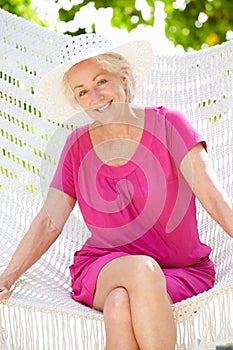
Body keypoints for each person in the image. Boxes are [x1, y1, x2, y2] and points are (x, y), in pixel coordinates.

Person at [0, 33, 232, 350]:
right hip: (104, 267)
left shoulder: (169, 125)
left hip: (181, 272)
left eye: (101, 82)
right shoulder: (76, 147)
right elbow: (49, 222)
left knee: (120, 305)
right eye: (83, 92)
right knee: (141, 271)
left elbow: (214, 198)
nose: (95, 97)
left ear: (123, 77)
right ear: (77, 101)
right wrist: (7, 276)